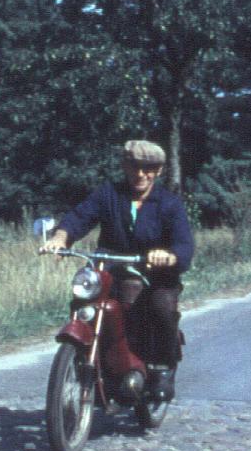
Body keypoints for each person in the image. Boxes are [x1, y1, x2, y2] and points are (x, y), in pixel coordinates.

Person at [42, 140, 194, 401]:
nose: (140, 174)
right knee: (87, 301)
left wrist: (169, 256)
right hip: (112, 268)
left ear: (158, 171)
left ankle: (162, 367)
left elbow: (184, 245)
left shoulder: (169, 203)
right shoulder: (109, 194)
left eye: (148, 168)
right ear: (125, 166)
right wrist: (61, 237)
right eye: (134, 166)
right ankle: (96, 358)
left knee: (162, 307)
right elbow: (80, 216)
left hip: (156, 275)